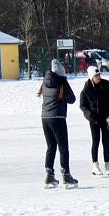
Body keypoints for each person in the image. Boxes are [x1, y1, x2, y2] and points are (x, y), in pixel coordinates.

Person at [39, 59, 78, 188]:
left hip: (45, 118)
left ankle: (49, 174)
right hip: (58, 118)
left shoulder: (45, 82)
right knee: (63, 148)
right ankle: (66, 174)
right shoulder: (61, 82)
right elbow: (72, 99)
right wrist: (65, 81)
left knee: (51, 147)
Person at [79, 66, 109, 177]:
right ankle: (95, 165)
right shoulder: (86, 88)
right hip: (94, 120)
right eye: (96, 76)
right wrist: (90, 116)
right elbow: (82, 105)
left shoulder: (106, 84)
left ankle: (107, 164)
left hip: (105, 118)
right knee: (96, 141)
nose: (98, 77)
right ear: (91, 77)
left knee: (106, 141)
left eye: (99, 75)